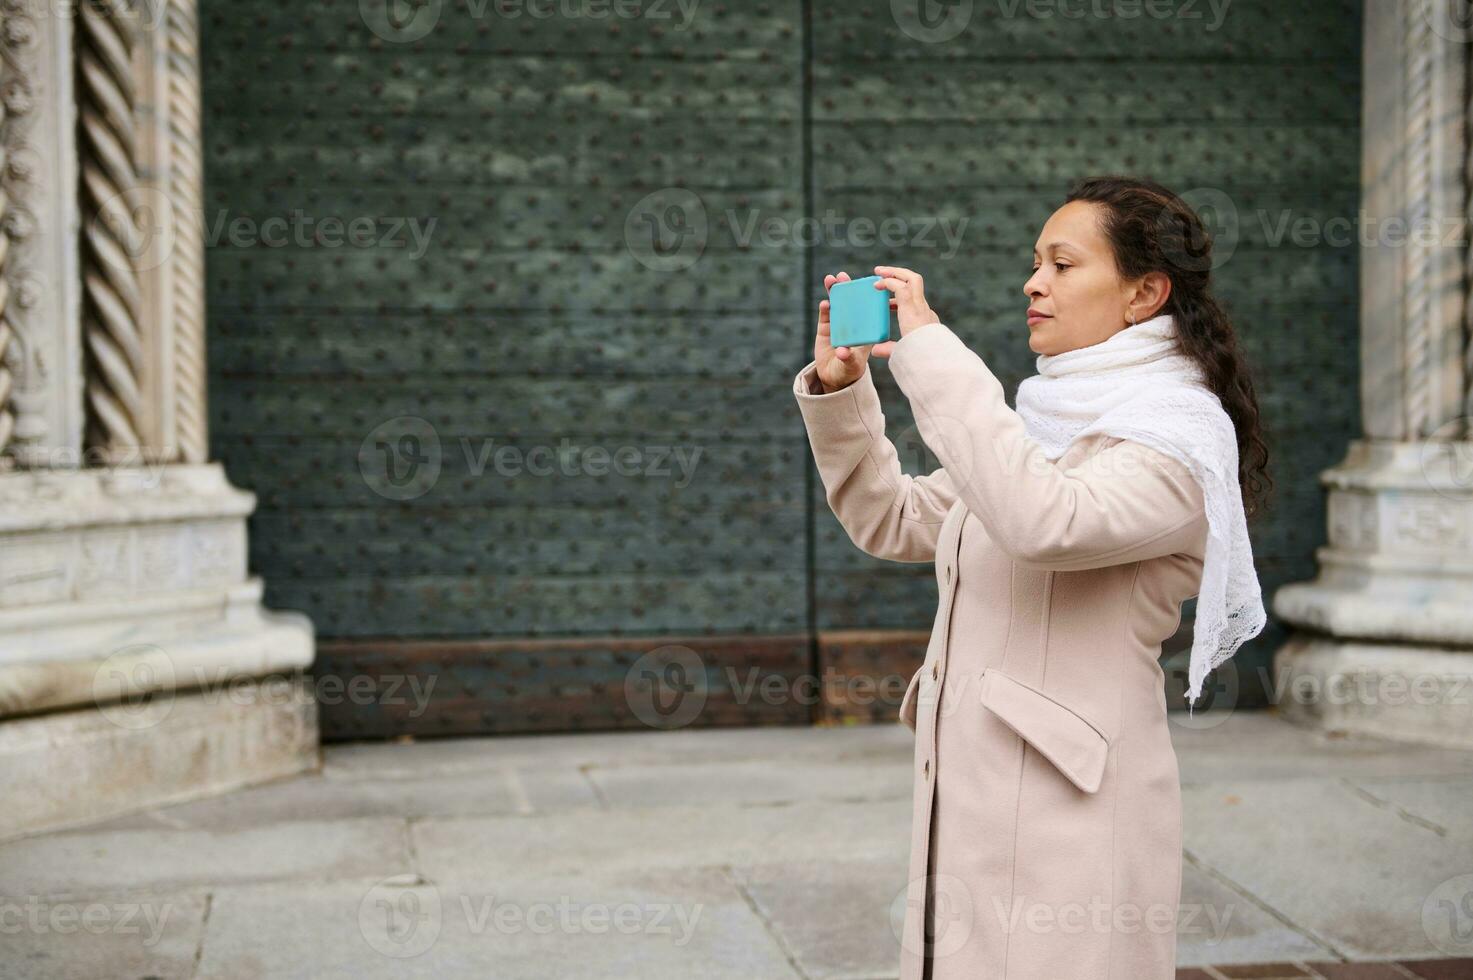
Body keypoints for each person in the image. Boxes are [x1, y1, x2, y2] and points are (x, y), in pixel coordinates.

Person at [791, 175, 1270, 979]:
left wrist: (930, 348)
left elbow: (1044, 523)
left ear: (1143, 292)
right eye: (1033, 263)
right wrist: (845, 392)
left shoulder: (1178, 445)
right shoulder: (1041, 430)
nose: (1032, 282)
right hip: (970, 798)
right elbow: (897, 518)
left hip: (1070, 816)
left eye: (1061, 264)